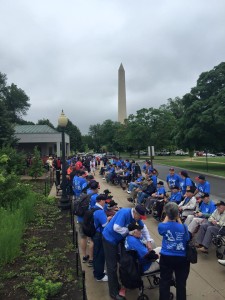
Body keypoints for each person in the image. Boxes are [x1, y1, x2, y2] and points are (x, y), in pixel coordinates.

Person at [102, 205, 154, 300]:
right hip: (109, 239)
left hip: (118, 239)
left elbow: (143, 228)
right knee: (112, 266)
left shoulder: (136, 217)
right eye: (140, 217)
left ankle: (117, 284)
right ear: (136, 213)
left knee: (119, 262)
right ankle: (113, 293)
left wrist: (149, 241)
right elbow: (116, 227)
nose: (140, 219)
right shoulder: (124, 213)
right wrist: (131, 232)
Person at [158, 202, 190, 300]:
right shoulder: (184, 227)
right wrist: (178, 218)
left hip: (166, 257)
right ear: (177, 214)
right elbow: (187, 238)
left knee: (164, 282)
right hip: (181, 258)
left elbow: (161, 229)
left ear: (167, 214)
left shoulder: (162, 226)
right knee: (181, 283)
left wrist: (168, 216)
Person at [93, 194, 112, 281]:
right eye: (104, 201)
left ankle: (97, 270)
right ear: (101, 201)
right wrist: (108, 219)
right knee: (100, 255)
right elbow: (105, 225)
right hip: (99, 235)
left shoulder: (93, 207)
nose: (105, 203)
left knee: (96, 254)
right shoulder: (100, 211)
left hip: (95, 233)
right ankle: (99, 276)